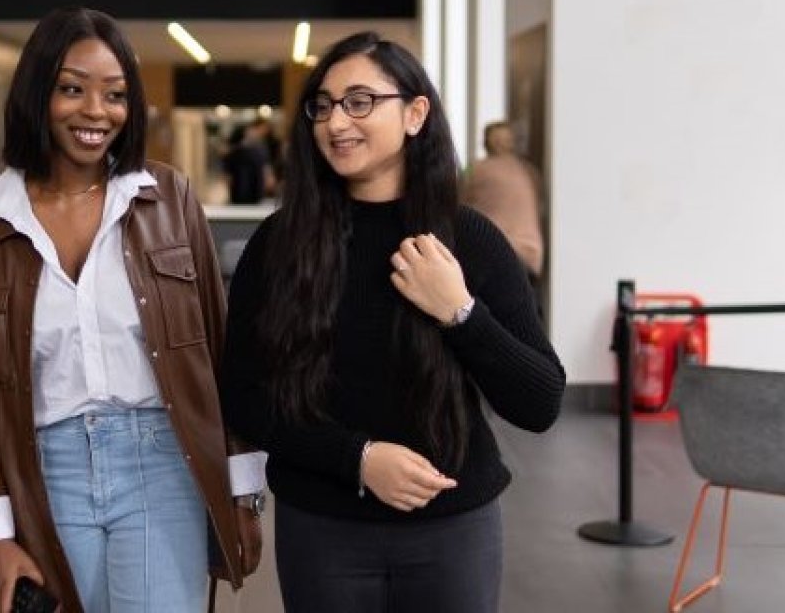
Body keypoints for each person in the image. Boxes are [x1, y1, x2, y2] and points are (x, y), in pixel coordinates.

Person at [0, 7, 263, 613]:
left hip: (162, 460)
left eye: (115, 95)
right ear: (36, 94)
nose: (95, 112)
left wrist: (240, 491)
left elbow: (219, 351)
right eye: (72, 89)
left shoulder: (169, 200)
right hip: (43, 472)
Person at [219, 32, 565, 613]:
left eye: (359, 101)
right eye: (323, 105)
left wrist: (460, 312)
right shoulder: (280, 245)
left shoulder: (469, 239)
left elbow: (541, 402)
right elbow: (244, 397)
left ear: (414, 113)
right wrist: (357, 458)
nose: (335, 122)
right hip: (323, 529)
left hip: (453, 531)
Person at [461, 121, 545, 280]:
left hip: (489, 251)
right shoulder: (530, 172)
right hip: (530, 254)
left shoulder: (474, 169)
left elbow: (458, 203)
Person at [221, 119, 271, 204]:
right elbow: (227, 164)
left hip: (255, 188)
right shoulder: (236, 148)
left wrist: (267, 177)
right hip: (239, 186)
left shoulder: (261, 149)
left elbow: (265, 166)